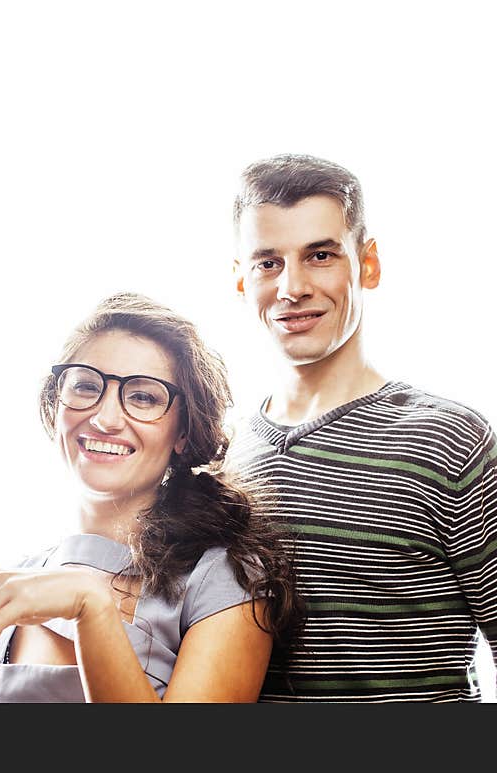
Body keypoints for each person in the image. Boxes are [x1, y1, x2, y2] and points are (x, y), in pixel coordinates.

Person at [0, 293, 303, 702]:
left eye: (143, 397)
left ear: (183, 433)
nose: (104, 419)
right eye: (85, 386)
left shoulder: (223, 580)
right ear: (56, 404)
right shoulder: (13, 584)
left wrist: (91, 606)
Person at [229, 153, 497, 702]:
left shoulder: (451, 441)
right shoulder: (223, 452)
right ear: (239, 278)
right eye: (267, 263)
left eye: (320, 254)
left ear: (367, 264)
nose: (292, 287)